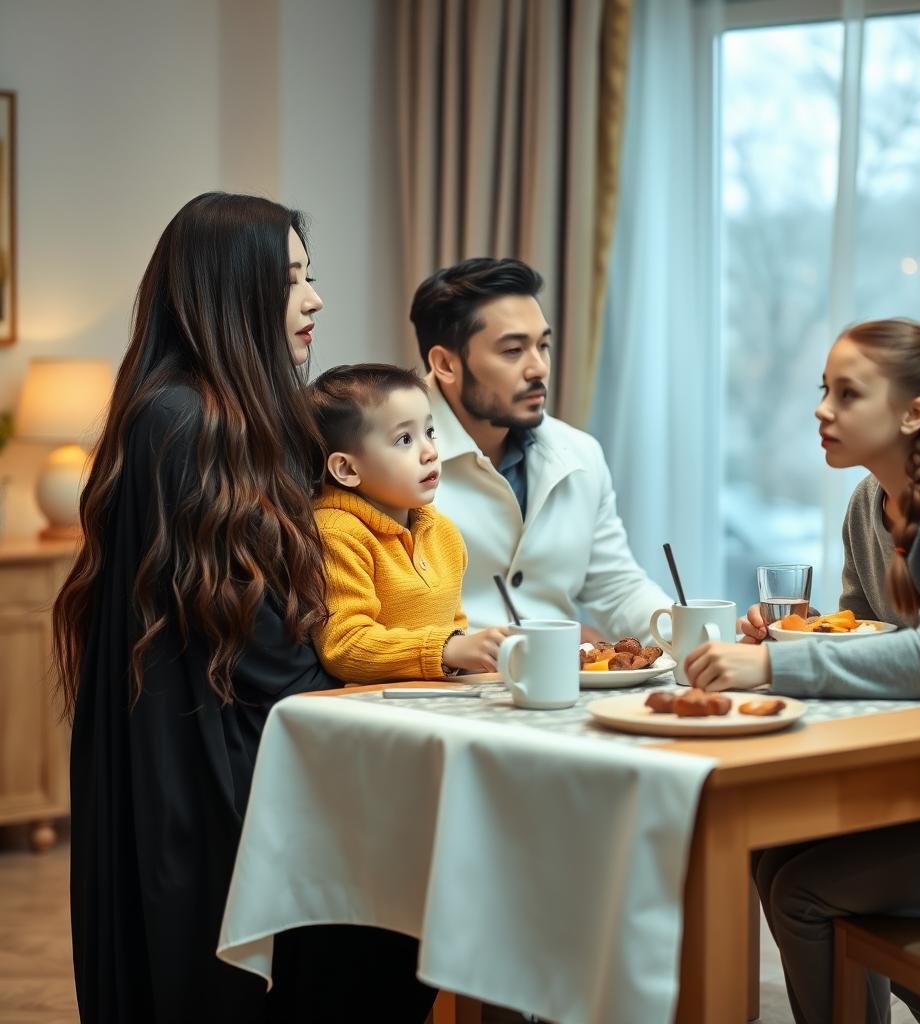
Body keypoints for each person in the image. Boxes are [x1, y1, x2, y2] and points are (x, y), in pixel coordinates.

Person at [53, 193, 437, 1024]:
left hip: (244, 748)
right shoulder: (180, 420)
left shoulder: (238, 418)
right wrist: (385, 654)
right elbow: (258, 641)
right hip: (204, 769)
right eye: (291, 279)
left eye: (312, 276)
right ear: (233, 293)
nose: (315, 299)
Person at [684, 318, 920, 1023]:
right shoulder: (868, 504)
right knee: (772, 848)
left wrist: (774, 661)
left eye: (847, 394)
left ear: (913, 413)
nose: (821, 409)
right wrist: (793, 637)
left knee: (802, 891)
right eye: (823, 390)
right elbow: (858, 641)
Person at [408, 257, 673, 643]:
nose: (539, 369)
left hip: (559, 686)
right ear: (445, 364)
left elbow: (618, 591)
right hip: (435, 689)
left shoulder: (580, 454)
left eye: (543, 346)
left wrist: (699, 639)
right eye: (513, 351)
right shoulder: (386, 457)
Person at [308, 363, 510, 681]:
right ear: (346, 469)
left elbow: (455, 628)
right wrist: (447, 650)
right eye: (404, 439)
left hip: (438, 704)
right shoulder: (336, 534)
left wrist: (487, 653)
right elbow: (345, 646)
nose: (430, 452)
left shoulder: (444, 533)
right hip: (372, 714)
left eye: (429, 432)